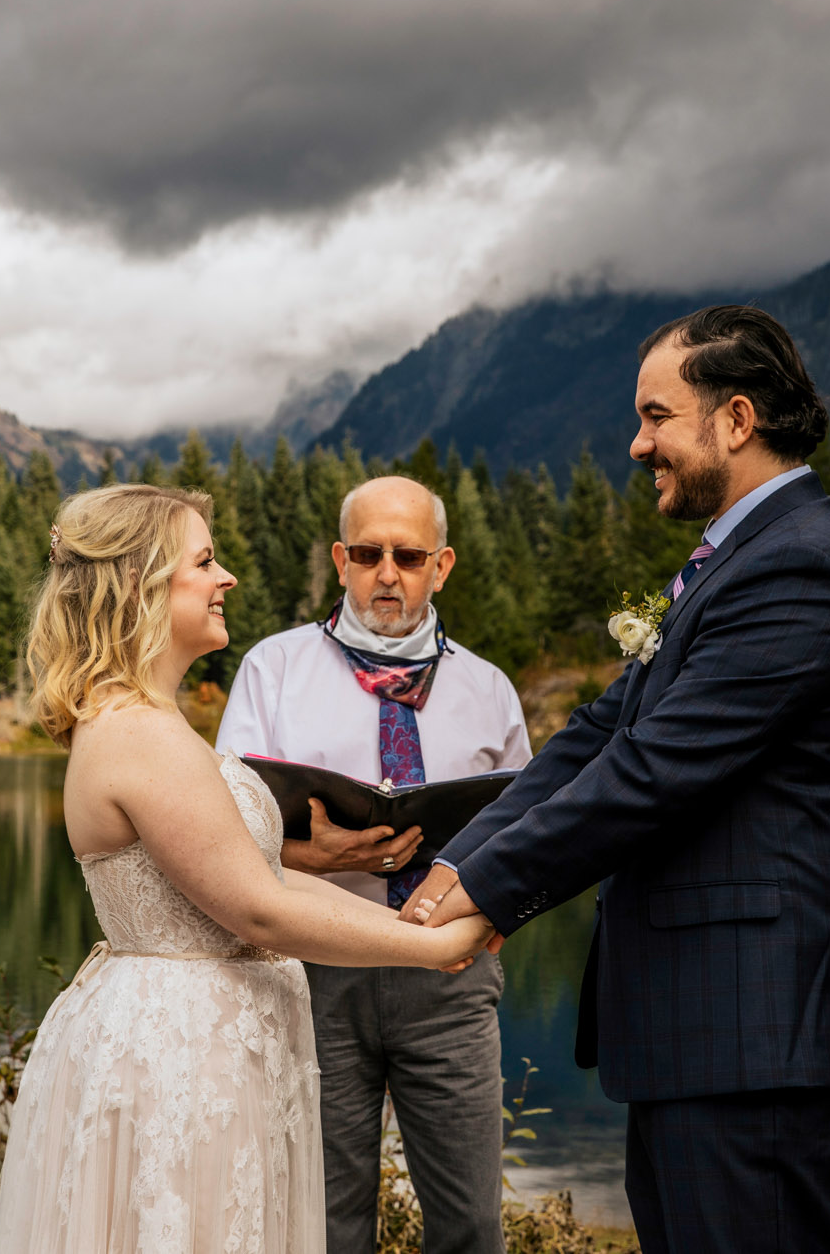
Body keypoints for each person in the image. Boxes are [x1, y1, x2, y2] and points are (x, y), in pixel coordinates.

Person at [408, 306, 830, 1254]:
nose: (638, 445)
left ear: (737, 418)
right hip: (708, 1036)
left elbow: (654, 772)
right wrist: (456, 862)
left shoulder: (801, 567)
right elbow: (598, 734)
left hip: (762, 1036)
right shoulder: (738, 558)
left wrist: (488, 897)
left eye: (656, 416)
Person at [0, 483, 494, 1254]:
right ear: (143, 583)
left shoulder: (153, 722)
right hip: (180, 1064)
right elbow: (258, 907)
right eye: (205, 560)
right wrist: (433, 945)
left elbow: (264, 879)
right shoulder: (138, 735)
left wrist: (411, 918)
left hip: (213, 1051)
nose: (226, 579)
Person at [216, 474, 531, 1254]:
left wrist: (494, 901)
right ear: (339, 559)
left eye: (408, 554)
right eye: (367, 553)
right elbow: (218, 826)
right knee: (326, 1220)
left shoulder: (489, 689)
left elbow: (529, 829)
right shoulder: (272, 669)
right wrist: (310, 855)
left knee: (469, 1222)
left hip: (450, 976)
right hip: (310, 968)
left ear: (443, 564)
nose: (387, 572)